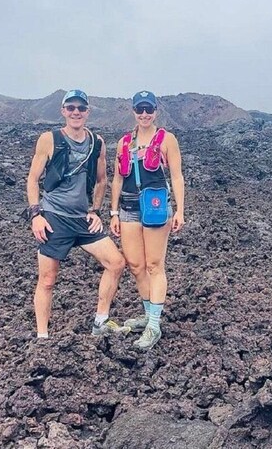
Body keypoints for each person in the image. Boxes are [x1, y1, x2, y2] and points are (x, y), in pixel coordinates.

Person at [26, 89, 129, 338]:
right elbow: (32, 178)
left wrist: (95, 211)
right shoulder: (48, 139)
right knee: (48, 280)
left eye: (81, 108)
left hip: (83, 220)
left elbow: (103, 180)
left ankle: (100, 321)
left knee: (116, 263)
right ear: (63, 111)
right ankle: (42, 338)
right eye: (71, 108)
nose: (76, 112)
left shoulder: (97, 143)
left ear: (87, 112)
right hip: (54, 218)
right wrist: (35, 215)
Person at [110, 90, 185, 350]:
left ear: (156, 111)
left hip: (155, 208)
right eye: (139, 109)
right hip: (129, 208)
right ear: (133, 111)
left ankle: (154, 324)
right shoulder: (124, 143)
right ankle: (147, 311)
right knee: (136, 265)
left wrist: (180, 210)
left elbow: (176, 176)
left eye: (148, 109)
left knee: (155, 265)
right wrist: (114, 213)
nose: (144, 114)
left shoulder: (167, 140)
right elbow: (117, 179)